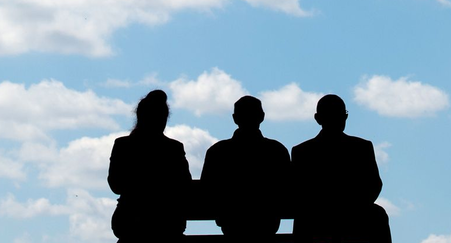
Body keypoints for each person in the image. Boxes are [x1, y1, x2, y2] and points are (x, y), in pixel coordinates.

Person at [292, 94, 392, 243]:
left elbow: (298, 190)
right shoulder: (362, 147)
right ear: (344, 117)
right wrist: (355, 206)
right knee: (378, 215)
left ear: (318, 118)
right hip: (356, 214)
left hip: (316, 218)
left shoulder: (301, 151)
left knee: (303, 217)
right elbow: (374, 184)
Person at [201, 95, 292, 239]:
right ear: (262, 117)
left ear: (235, 118)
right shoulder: (277, 150)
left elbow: (206, 191)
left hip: (231, 223)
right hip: (267, 223)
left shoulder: (218, 151)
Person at [108, 90, 192, 242]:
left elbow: (115, 185)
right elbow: (185, 186)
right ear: (164, 119)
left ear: (140, 117)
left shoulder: (123, 145)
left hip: (129, 221)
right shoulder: (174, 148)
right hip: (167, 223)